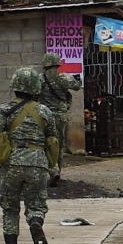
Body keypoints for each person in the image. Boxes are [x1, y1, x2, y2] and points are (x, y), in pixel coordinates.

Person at [0, 67, 59, 244]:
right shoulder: (45, 111)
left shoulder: (5, 110)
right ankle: (35, 222)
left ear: (15, 87)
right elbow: (53, 138)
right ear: (35, 88)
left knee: (10, 207)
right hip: (38, 163)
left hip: (12, 163)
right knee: (36, 203)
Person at [37, 52, 82, 186]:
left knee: (45, 143)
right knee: (59, 144)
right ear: (57, 63)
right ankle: (58, 173)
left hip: (44, 115)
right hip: (60, 117)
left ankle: (50, 170)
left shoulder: (40, 79)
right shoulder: (64, 78)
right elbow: (77, 86)